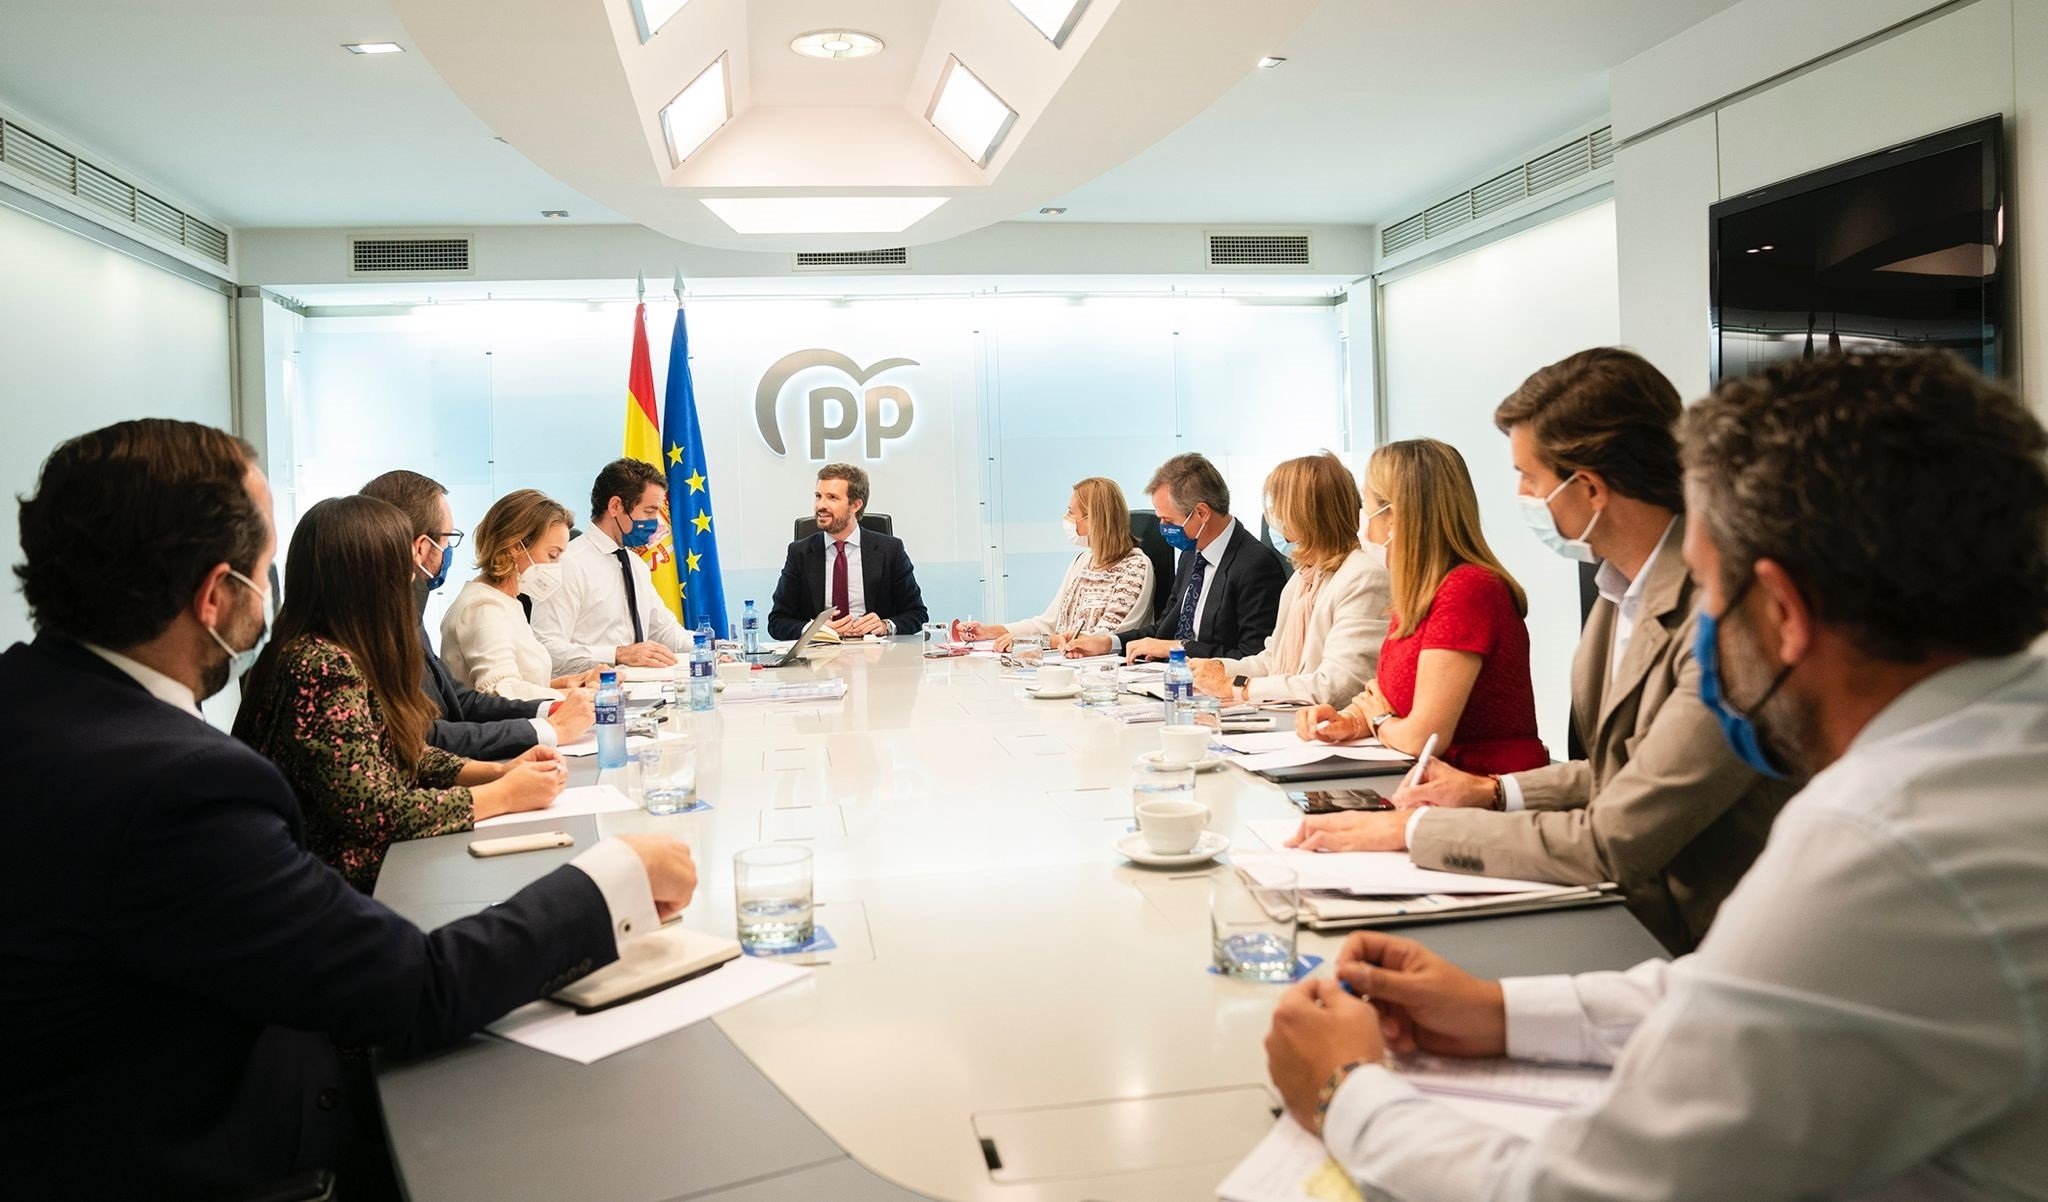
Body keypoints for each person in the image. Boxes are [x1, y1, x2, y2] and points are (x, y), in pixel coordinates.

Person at [1263, 350, 2048, 1201]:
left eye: (1705, 586)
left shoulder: (1882, 844)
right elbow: (1743, 991)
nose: (1692, 624)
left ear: (1783, 611)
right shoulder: (1987, 756)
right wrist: (1499, 1012)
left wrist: (1345, 1092)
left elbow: (1580, 1190)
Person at [0, 419, 699, 1199]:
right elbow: (412, 989)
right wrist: (612, 879)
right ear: (215, 594)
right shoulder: (175, 786)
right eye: (265, 565)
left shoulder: (34, 706)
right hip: (239, 1144)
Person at [1287, 350, 1796, 952]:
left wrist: (1414, 831)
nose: (1522, 494)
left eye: (1530, 477)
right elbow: (1629, 771)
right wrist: (1496, 793)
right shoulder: (1617, 593)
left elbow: (1614, 838)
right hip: (1620, 900)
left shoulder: (1721, 614)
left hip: (1695, 932)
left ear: (1590, 488)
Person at [235, 495, 573, 890]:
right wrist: (504, 795)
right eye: (402, 569)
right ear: (371, 579)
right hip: (342, 888)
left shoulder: (340, 648)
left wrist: (498, 772)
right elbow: (375, 810)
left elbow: (402, 751)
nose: (412, 582)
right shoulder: (321, 665)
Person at [1295, 439, 1546, 772]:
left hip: (1478, 784)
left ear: (1394, 518)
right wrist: (1349, 720)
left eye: (1367, 511)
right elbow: (1382, 697)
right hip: (1426, 780)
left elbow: (1423, 737)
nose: (1364, 527)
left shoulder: (1467, 590)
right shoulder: (1419, 594)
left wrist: (1380, 721)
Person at [359, 470, 593, 758]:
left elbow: (460, 699)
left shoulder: (410, 614)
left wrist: (557, 700)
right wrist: (555, 719)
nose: (448, 550)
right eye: (447, 538)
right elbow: (437, 728)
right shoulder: (479, 606)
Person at [1187, 452, 1390, 705]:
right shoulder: (1303, 578)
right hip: (1291, 715)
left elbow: (1337, 685)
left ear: (1306, 514)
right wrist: (1219, 668)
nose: (1274, 518)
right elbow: (1273, 660)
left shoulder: (1363, 577)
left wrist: (1238, 687)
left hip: (1328, 720)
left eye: (1280, 507)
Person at [1065, 452, 1288, 661]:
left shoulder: (1255, 565)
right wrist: (1108, 643)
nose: (1162, 527)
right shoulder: (1191, 555)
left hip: (1213, 684)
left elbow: (1253, 656)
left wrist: (1178, 648)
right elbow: (1163, 630)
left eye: (1168, 520)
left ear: (1201, 513)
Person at [440, 488, 609, 700]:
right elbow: (500, 693)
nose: (557, 566)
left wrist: (564, 685)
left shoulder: (508, 601)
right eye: (552, 555)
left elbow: (519, 682)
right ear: (515, 546)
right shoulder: (483, 608)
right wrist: (578, 695)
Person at [530, 457, 694, 672]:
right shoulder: (568, 563)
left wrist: (715, 648)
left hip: (639, 686)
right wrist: (617, 655)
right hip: (589, 687)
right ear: (615, 506)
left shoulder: (636, 565)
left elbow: (665, 631)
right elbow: (547, 649)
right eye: (648, 511)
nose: (656, 523)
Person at [960, 476, 1154, 651]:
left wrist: (1032, 642)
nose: (1066, 519)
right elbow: (1048, 623)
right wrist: (989, 631)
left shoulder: (1135, 566)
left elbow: (1102, 638)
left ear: (1094, 519)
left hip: (1101, 669)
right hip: (1064, 662)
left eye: (1071, 513)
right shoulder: (1084, 561)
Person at [767, 462, 930, 640]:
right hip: (820, 653)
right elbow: (777, 622)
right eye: (818, 496)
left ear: (855, 505)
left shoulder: (890, 550)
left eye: (832, 498)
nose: (821, 505)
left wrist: (885, 626)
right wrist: (814, 629)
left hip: (875, 651)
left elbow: (917, 614)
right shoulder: (800, 553)